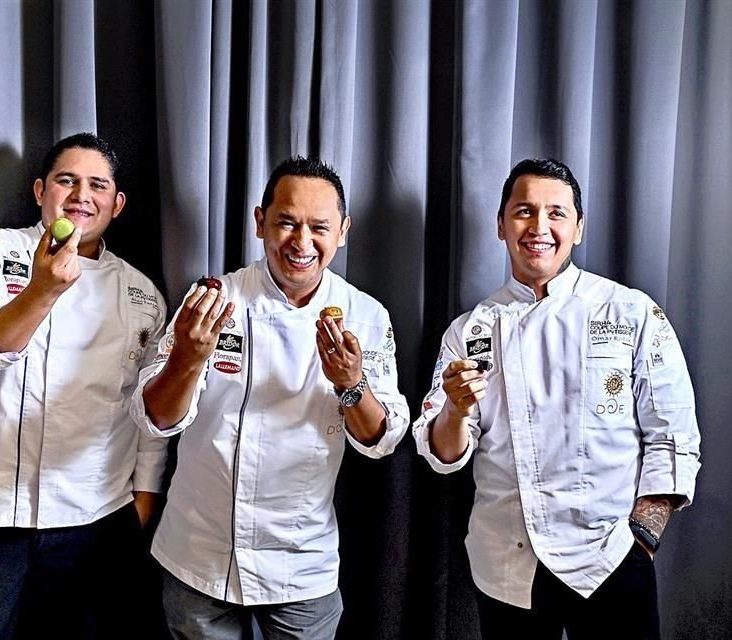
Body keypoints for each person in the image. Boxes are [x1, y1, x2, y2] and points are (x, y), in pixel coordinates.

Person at [413, 158, 701, 639]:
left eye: (557, 213)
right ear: (501, 225)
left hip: (611, 559)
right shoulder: (469, 332)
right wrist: (456, 408)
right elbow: (443, 455)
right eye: (523, 211)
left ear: (579, 228)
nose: (539, 227)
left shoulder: (630, 311)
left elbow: (673, 432)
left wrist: (642, 538)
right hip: (507, 564)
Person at [130, 157, 410, 639]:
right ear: (260, 222)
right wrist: (187, 359)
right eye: (286, 222)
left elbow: (379, 440)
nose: (301, 243)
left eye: (319, 227)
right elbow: (155, 417)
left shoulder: (366, 315)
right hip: (199, 553)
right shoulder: (214, 299)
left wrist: (350, 383)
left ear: (342, 231)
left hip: (302, 562)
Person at [0, 133, 168, 639]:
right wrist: (42, 289)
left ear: (116, 204)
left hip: (95, 520)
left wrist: (145, 494)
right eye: (66, 180)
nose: (81, 195)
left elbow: (147, 410)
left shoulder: (142, 294)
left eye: (97, 185)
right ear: (40, 191)